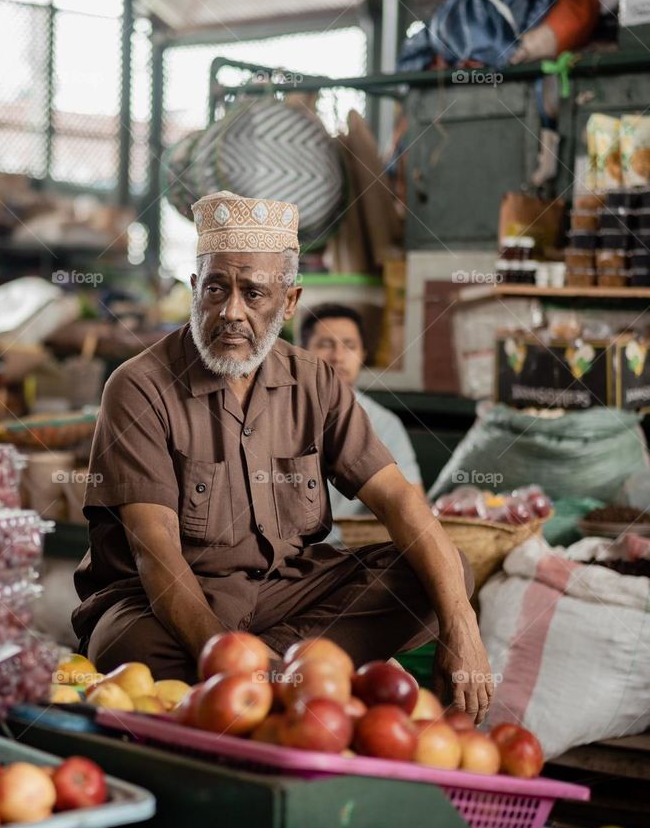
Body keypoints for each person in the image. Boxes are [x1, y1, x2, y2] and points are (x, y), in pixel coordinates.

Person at [72, 191, 493, 720]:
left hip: (289, 592)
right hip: (165, 601)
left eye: (253, 294)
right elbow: (156, 557)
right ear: (195, 287)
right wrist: (230, 658)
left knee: (445, 574)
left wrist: (464, 628)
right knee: (124, 650)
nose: (231, 312)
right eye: (217, 289)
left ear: (289, 303)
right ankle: (299, 674)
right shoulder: (138, 386)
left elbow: (398, 498)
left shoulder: (314, 380)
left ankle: (275, 673)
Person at [300, 304, 423, 535]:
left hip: (356, 550)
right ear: (301, 353)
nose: (337, 356)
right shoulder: (278, 414)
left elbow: (412, 505)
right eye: (325, 345)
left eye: (349, 346)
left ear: (363, 355)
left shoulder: (385, 424)